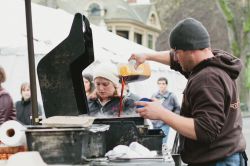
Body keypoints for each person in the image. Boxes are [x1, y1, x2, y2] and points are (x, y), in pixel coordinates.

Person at [129, 18, 247, 165]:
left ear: (191, 50)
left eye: (177, 53)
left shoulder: (207, 79)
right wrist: (147, 56)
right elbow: (173, 58)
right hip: (228, 155)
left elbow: (205, 131)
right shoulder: (214, 63)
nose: (176, 59)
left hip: (218, 161)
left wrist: (161, 113)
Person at [151, 77, 180, 144]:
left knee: (162, 143)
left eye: (163, 84)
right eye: (159, 84)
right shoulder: (154, 95)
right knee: (155, 143)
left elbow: (177, 108)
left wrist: (171, 118)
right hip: (155, 123)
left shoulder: (172, 96)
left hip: (165, 123)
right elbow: (151, 107)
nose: (161, 85)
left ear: (166, 85)